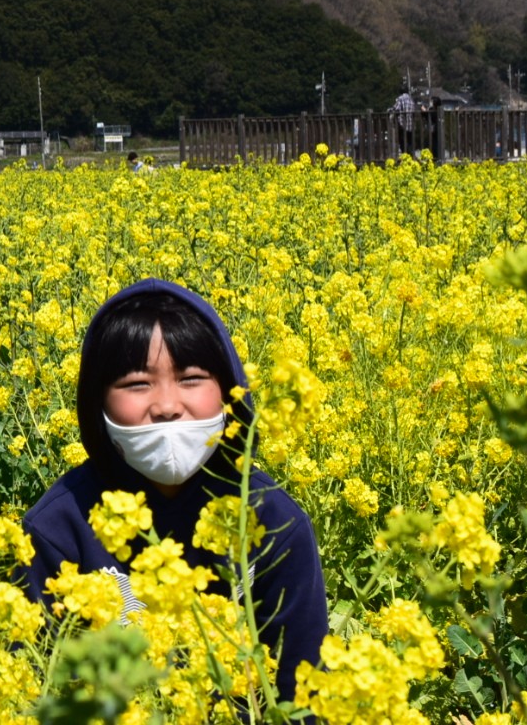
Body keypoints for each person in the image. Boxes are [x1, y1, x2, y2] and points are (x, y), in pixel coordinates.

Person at [19, 279, 327, 704]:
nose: (166, 405)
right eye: (136, 384)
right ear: (97, 401)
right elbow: (32, 688)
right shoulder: (58, 527)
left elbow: (304, 694)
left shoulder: (274, 522)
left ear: (229, 392)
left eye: (192, 379)